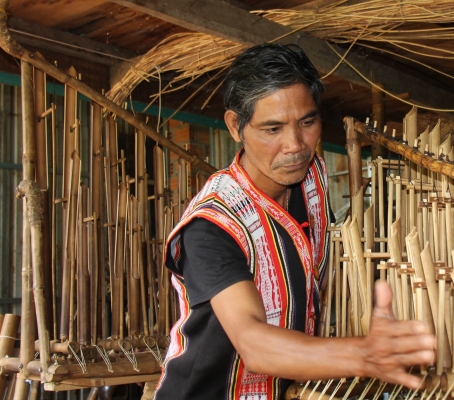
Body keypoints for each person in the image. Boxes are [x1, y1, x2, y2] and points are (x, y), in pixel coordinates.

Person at [154, 43, 435, 400]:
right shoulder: (212, 224)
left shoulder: (310, 177)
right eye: (272, 129)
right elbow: (252, 343)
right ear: (235, 126)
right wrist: (362, 354)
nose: (295, 145)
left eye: (307, 122)